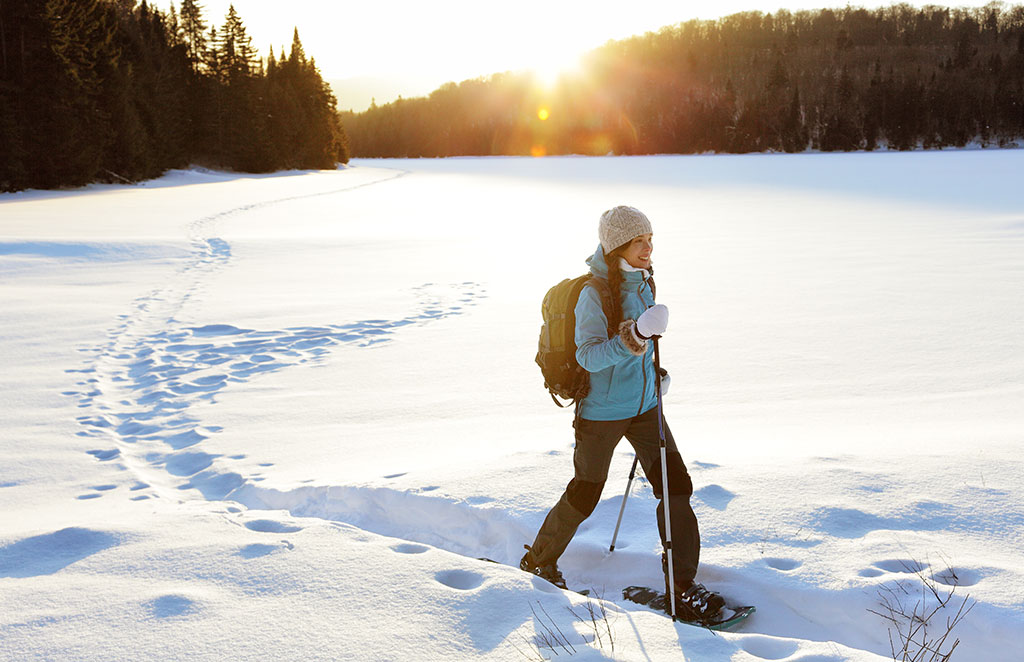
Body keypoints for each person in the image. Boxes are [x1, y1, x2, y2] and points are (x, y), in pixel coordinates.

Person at [520, 205, 724, 622]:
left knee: (676, 486)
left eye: (650, 240)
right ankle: (539, 560)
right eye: (639, 242)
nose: (648, 248)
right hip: (602, 412)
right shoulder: (594, 295)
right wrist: (635, 335)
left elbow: (641, 348)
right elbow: (590, 355)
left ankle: (682, 586)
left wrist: (653, 374)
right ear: (618, 247)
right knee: (586, 491)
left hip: (647, 408)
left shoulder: (645, 281)